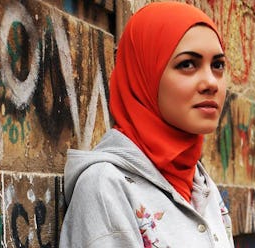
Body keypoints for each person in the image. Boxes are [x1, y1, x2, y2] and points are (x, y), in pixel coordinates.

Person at [59, 2, 234, 247]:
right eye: (187, 64)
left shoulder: (200, 186)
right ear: (145, 75)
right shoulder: (105, 187)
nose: (211, 82)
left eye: (217, 65)